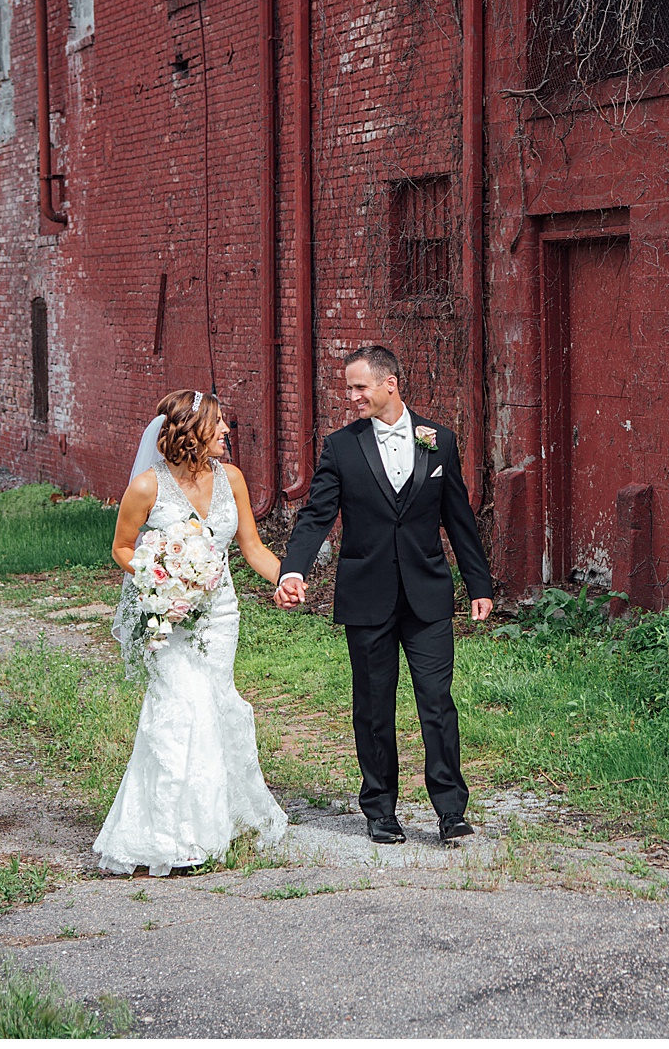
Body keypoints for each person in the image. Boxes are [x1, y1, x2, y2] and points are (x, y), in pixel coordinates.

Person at [275, 344, 493, 845]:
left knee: (437, 702)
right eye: (350, 388)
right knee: (374, 706)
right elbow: (316, 515)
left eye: (359, 387)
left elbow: (458, 518)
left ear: (389, 383)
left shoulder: (439, 440)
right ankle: (379, 809)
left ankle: (450, 811)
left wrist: (478, 583)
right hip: (367, 595)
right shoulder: (341, 447)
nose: (352, 396)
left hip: (428, 594)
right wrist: (293, 570)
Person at [96, 390, 288, 876]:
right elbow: (122, 548)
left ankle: (212, 823)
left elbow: (252, 547)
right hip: (169, 620)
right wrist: (160, 582)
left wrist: (287, 577)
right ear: (191, 430)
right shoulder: (146, 487)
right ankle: (168, 835)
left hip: (220, 615)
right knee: (180, 712)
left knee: (215, 705)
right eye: (219, 424)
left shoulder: (233, 480)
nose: (227, 432)